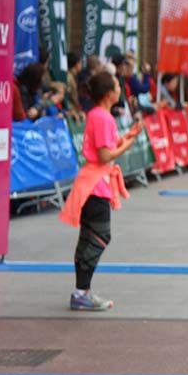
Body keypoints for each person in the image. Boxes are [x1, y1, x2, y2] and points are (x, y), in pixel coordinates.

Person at [58, 70, 142, 312]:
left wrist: (128, 137)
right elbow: (105, 155)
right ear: (108, 93)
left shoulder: (98, 115)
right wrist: (127, 145)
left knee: (89, 238)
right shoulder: (103, 117)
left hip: (93, 183)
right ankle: (82, 291)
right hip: (96, 185)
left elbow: (105, 147)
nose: (120, 88)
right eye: (117, 85)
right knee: (99, 237)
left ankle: (81, 291)